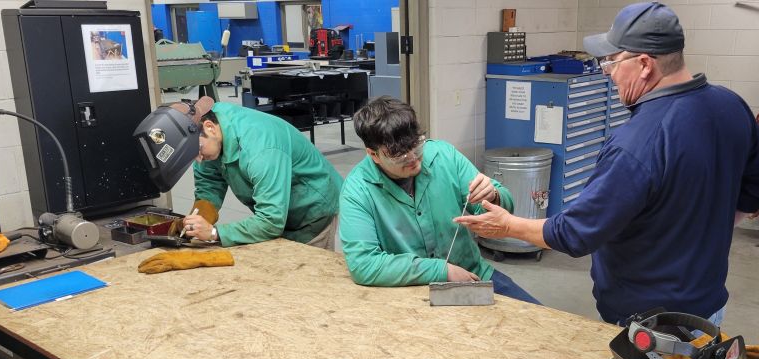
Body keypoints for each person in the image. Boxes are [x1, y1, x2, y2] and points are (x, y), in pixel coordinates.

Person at [455, 2, 759, 324]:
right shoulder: (729, 105)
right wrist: (717, 224)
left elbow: (575, 233)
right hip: (708, 307)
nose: (607, 73)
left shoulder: (639, 143)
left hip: (651, 327)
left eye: (611, 62)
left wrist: (508, 226)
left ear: (644, 64)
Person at [338, 96, 539, 304]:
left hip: (473, 275)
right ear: (374, 154)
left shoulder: (444, 156)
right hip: (409, 291)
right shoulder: (357, 190)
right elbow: (364, 264)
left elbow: (502, 209)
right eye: (400, 155)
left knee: (539, 315)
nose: (413, 158)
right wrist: (441, 271)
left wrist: (494, 197)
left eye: (416, 145)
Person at [177, 96, 343, 249]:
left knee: (306, 266)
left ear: (210, 127)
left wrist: (214, 233)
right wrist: (197, 221)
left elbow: (271, 221)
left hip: (312, 209)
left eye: (198, 150)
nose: (198, 160)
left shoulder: (260, 149)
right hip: (276, 210)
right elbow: (209, 185)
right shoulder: (204, 134)